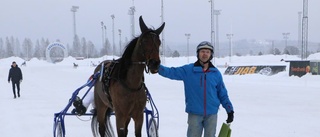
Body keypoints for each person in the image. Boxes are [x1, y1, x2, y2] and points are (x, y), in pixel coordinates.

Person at [158, 41, 234, 137]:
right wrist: (157, 67)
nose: (205, 54)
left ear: (211, 55)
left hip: (211, 114)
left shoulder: (216, 73)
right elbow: (171, 72)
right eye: (202, 51)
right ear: (198, 54)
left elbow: (222, 94)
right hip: (194, 113)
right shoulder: (188, 70)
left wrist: (229, 110)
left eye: (207, 52)